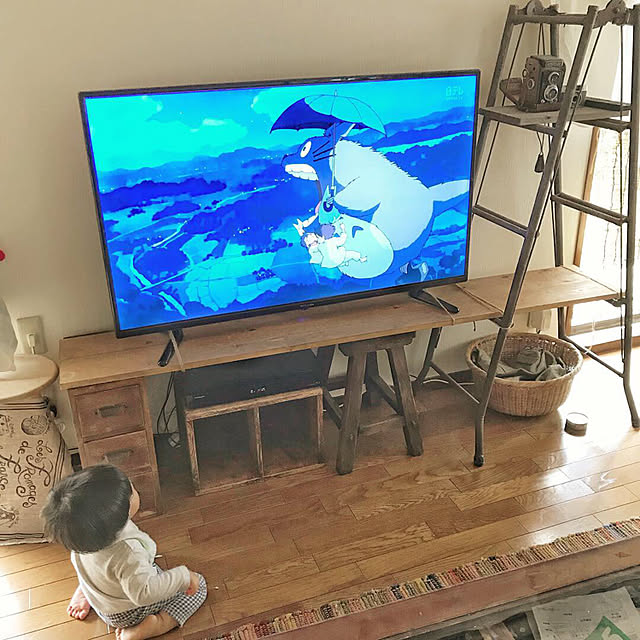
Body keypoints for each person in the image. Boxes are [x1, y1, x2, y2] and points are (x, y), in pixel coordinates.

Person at [41, 464, 207, 640]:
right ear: (123, 511)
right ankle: (155, 625)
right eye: (132, 491)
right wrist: (183, 576)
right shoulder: (128, 553)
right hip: (128, 613)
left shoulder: (82, 532)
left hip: (99, 595)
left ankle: (85, 591)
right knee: (199, 587)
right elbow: (143, 593)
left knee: (98, 567)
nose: (135, 490)